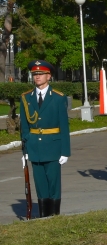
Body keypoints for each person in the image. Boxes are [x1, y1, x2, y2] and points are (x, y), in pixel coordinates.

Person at [20, 60, 70, 217]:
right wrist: (26, 149)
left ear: (49, 76)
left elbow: (64, 126)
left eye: (41, 74)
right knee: (40, 184)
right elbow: (25, 126)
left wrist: (65, 151)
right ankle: (43, 217)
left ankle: (54, 216)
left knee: (53, 184)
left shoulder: (58, 98)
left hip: (53, 146)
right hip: (35, 147)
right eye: (35, 74)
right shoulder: (26, 98)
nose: (37, 77)